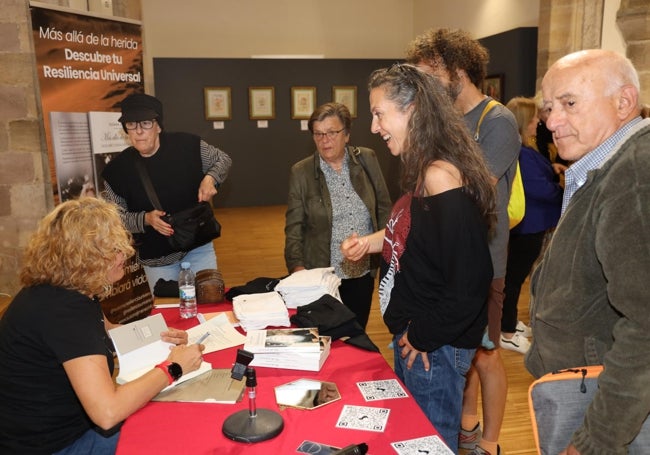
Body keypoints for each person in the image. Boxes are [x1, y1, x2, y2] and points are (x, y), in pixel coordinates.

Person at [341, 63, 496, 452]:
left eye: (379, 113)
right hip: (421, 337)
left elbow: (471, 280)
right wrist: (371, 243)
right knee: (413, 441)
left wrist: (422, 336)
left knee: (428, 445)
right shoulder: (423, 169)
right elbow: (416, 241)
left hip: (433, 347)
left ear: (412, 110)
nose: (375, 127)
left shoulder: (439, 175)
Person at [0, 198, 205, 454]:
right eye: (113, 249)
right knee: (176, 435)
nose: (125, 255)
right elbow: (108, 412)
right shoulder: (62, 312)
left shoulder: (73, 289)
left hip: (69, 429)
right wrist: (173, 367)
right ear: (84, 257)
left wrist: (159, 338)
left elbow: (109, 331)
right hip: (56, 445)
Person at [526, 49, 650, 454]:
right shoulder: (607, 164)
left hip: (610, 416)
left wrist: (593, 442)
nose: (552, 121)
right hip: (582, 393)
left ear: (624, 102)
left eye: (570, 104)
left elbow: (645, 328)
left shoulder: (633, 174)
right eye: (548, 107)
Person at [405, 28, 520, 455]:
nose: (426, 87)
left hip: (484, 260)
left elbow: (472, 195)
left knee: (487, 355)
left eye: (431, 75)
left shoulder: (499, 121)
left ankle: (489, 443)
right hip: (444, 263)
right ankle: (466, 430)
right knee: (462, 354)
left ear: (456, 70)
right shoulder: (448, 121)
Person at [102, 93, 232, 294]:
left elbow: (222, 159)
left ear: (158, 126)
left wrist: (210, 178)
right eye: (131, 124)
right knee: (168, 311)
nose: (138, 131)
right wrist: (146, 219)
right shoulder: (116, 172)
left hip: (197, 245)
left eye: (145, 123)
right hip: (156, 258)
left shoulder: (188, 146)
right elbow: (115, 219)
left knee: (209, 300)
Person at [285, 102, 392, 328]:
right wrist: (298, 270)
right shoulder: (301, 172)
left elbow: (384, 209)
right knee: (323, 333)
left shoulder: (367, 159)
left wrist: (390, 258)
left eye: (332, 133)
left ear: (347, 135)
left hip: (362, 271)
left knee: (356, 330)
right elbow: (294, 227)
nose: (325, 140)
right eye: (319, 134)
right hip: (322, 274)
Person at [499, 97, 563, 354]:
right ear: (524, 121)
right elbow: (537, 189)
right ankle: (506, 332)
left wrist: (553, 169)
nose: (539, 122)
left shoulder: (524, 149)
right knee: (513, 280)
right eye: (535, 118)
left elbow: (538, 176)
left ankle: (510, 323)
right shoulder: (521, 152)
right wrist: (561, 184)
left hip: (531, 224)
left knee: (515, 278)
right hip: (528, 225)